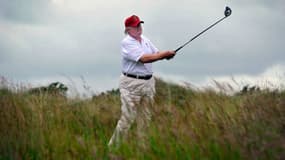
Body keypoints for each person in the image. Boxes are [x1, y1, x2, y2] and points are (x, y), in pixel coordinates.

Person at [108, 15, 176, 147]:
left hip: (148, 83)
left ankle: (142, 149)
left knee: (145, 119)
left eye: (140, 25)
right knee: (127, 118)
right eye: (135, 26)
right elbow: (144, 58)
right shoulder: (127, 42)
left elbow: (156, 53)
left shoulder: (145, 40)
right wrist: (163, 55)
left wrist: (167, 55)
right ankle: (113, 149)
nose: (139, 28)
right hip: (131, 84)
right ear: (128, 29)